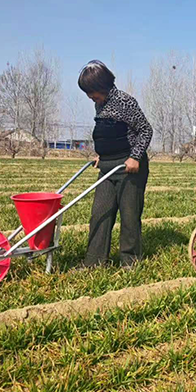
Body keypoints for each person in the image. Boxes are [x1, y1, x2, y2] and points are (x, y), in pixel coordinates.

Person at [77, 60, 153, 268]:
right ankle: (93, 262)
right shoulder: (99, 104)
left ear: (102, 86)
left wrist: (135, 157)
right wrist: (101, 154)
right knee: (99, 213)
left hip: (129, 167)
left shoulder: (125, 101)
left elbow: (146, 130)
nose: (90, 97)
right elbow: (107, 133)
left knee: (129, 216)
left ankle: (130, 262)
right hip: (107, 167)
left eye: (91, 91)